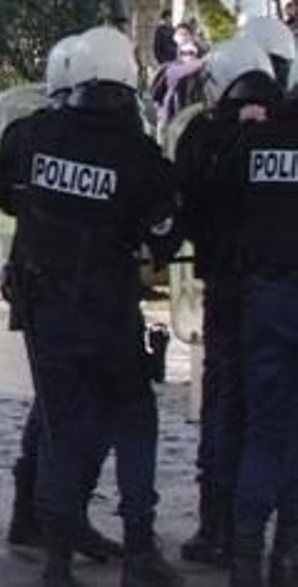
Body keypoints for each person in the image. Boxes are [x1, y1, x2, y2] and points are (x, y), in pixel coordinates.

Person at [0, 26, 181, 587]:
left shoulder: (31, 135)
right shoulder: (142, 158)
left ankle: (55, 554)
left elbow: (5, 194)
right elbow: (163, 238)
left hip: (43, 310)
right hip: (107, 312)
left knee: (59, 423)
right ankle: (140, 545)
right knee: (132, 418)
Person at [3, 35, 124, 563]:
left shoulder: (26, 132)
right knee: (84, 414)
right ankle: (61, 516)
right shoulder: (113, 139)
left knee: (50, 407)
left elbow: (6, 195)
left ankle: (32, 515)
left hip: (35, 282)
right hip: (87, 292)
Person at [174, 38, 283, 574]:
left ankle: (218, 526)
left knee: (224, 403)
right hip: (271, 287)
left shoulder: (207, 135)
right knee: (271, 416)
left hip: (226, 283)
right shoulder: (272, 129)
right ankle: (278, 542)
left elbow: (188, 204)